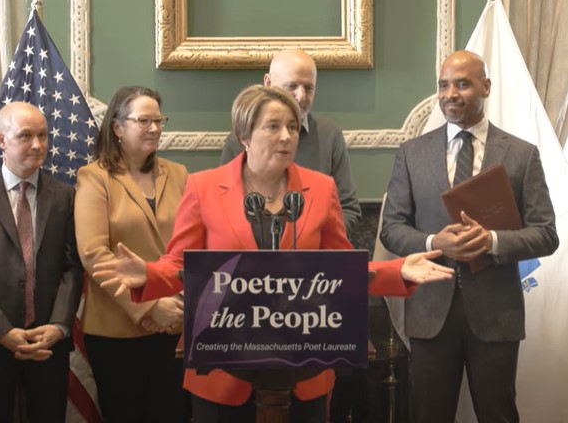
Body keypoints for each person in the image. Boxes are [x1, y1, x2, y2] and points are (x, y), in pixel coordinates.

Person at [92, 85, 454, 423]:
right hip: (222, 370)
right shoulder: (203, 187)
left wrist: (398, 270)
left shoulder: (321, 188)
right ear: (244, 135)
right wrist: (148, 275)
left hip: (305, 367)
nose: (286, 136)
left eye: (293, 127)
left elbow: (339, 269)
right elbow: (181, 264)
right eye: (274, 127)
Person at [380, 50, 559, 423]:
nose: (450, 94)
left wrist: (492, 241)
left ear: (486, 87)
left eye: (462, 83)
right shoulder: (412, 154)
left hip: (496, 313)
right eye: (444, 85)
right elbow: (392, 228)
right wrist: (434, 243)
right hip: (430, 314)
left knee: (498, 414)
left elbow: (546, 235)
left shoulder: (521, 155)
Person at [0, 102, 84, 423]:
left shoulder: (66, 197)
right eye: (25, 136)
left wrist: (58, 325)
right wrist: (2, 332)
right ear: (1, 140)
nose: (37, 145)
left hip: (48, 343)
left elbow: (72, 268)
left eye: (42, 135)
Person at [75, 86, 189, 422]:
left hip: (175, 324)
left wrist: (177, 305)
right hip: (116, 331)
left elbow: (191, 244)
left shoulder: (179, 173)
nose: (154, 128)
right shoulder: (94, 177)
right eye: (144, 120)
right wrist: (151, 305)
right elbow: (94, 254)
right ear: (117, 128)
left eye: (158, 120)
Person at [220, 49, 363, 247]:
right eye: (291, 86)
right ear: (268, 83)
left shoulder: (330, 136)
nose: (301, 96)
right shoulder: (239, 141)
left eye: (309, 88)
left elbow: (347, 208)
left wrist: (316, 236)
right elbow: (225, 209)